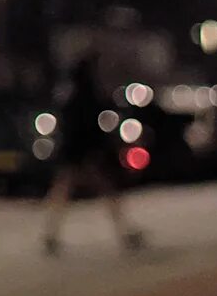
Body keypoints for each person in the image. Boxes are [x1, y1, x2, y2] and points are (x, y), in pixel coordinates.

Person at [39, 55, 144, 255]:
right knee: (108, 191)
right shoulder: (90, 97)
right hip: (87, 153)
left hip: (71, 152)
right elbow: (94, 126)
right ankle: (125, 232)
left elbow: (65, 124)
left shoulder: (69, 97)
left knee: (62, 191)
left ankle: (50, 235)